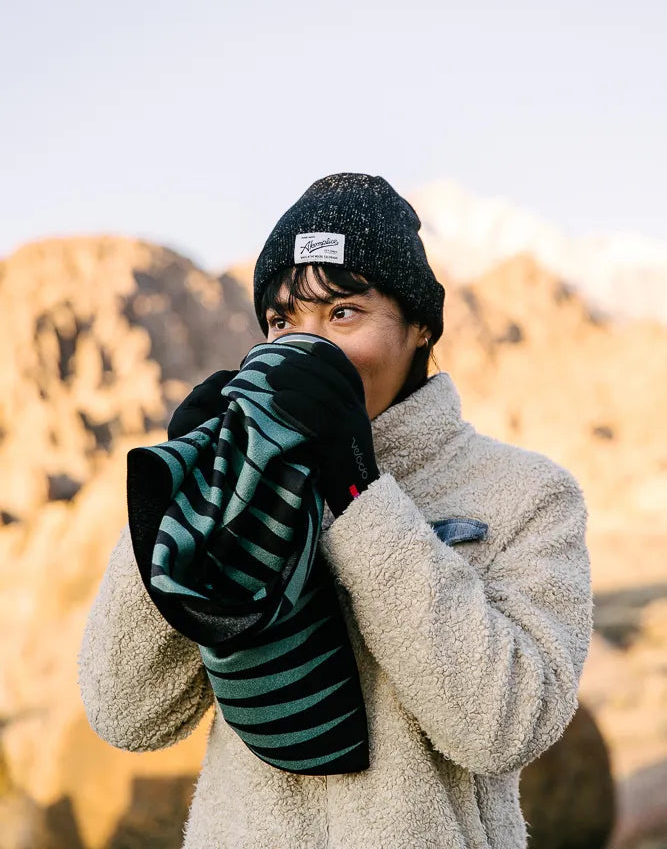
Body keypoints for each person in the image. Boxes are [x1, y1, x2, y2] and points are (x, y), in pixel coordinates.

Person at [78, 172, 593, 849]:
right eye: (283, 320)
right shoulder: (244, 481)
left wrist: (358, 493)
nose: (305, 346)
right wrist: (175, 504)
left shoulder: (526, 494)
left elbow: (503, 727)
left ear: (418, 327)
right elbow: (127, 714)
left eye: (342, 313)